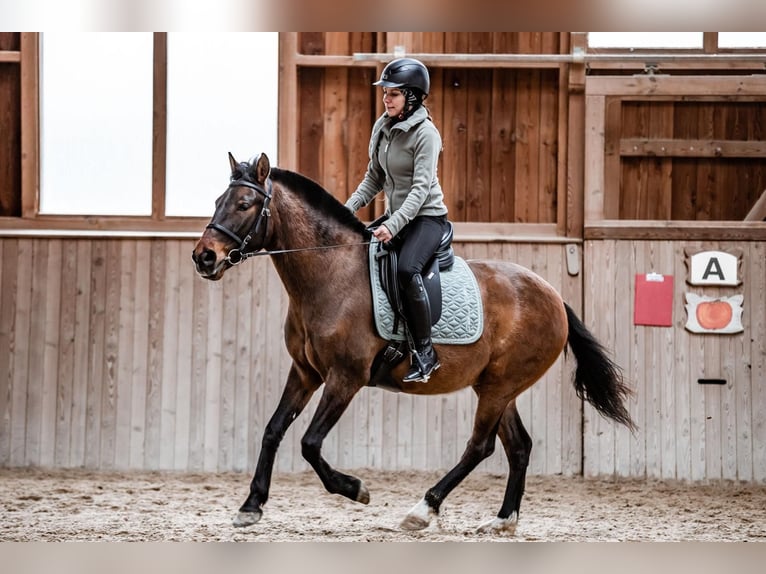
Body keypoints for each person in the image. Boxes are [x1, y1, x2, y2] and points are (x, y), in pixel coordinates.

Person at [345, 57, 450, 383]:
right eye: (385, 93)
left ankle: (425, 352)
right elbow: (373, 178)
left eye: (393, 94)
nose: (386, 99)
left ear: (413, 97)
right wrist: (346, 210)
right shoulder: (383, 127)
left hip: (426, 219)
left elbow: (420, 191)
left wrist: (392, 225)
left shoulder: (426, 135)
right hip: (397, 216)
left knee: (406, 269)